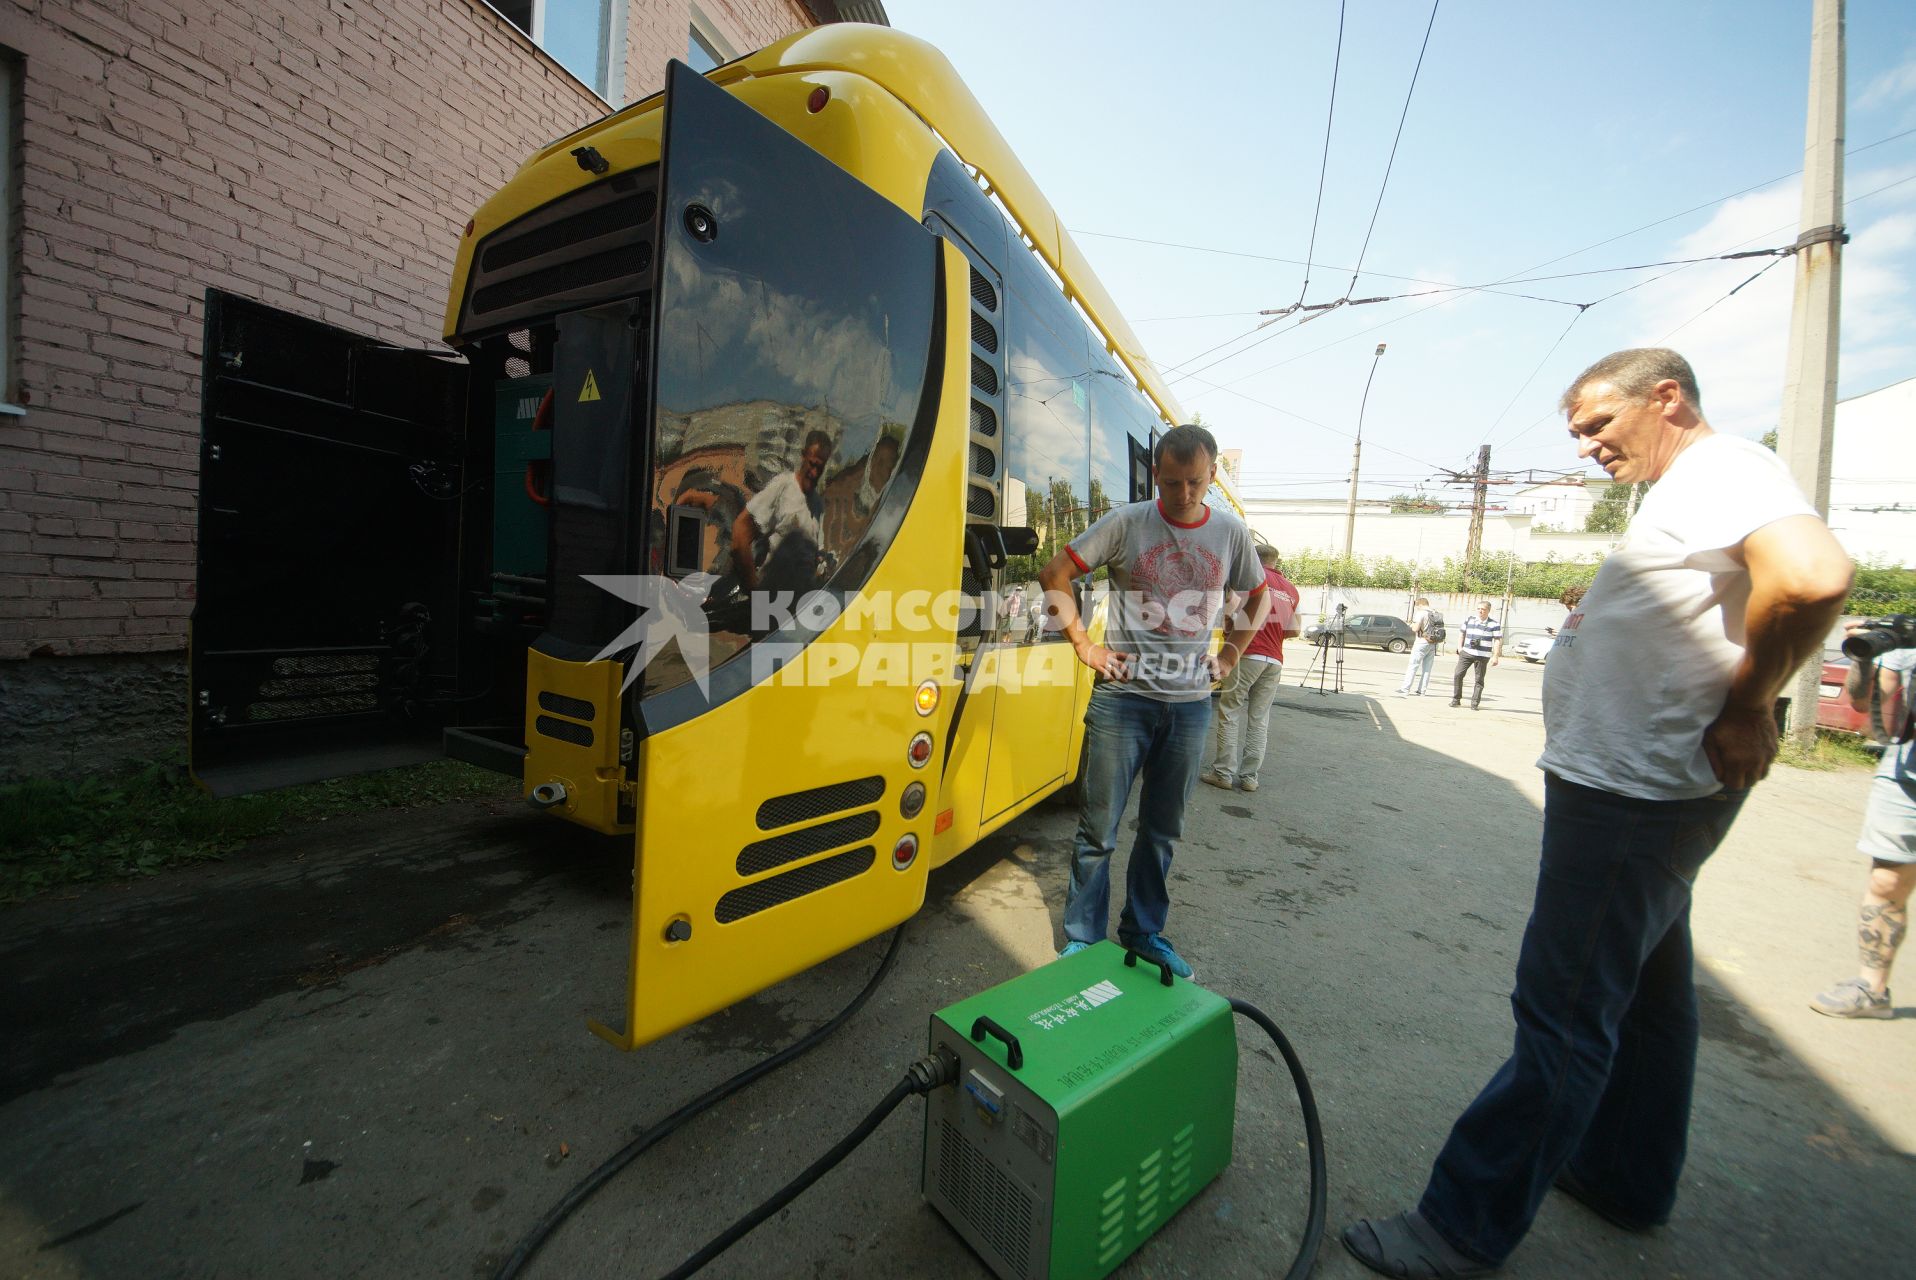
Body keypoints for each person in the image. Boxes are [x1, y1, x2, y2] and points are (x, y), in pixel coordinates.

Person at [1343, 348, 1852, 1278]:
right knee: (1651, 1000)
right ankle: (1624, 1176)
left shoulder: (1723, 468)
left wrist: (1750, 705)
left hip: (1632, 795)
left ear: (1666, 397)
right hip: (1644, 789)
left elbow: (1813, 576)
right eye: (1576, 433)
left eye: (1596, 425)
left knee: (1565, 1012)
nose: (1585, 447)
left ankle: (1457, 1231)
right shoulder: (1693, 487)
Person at [1037, 424, 1269, 980]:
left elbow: (1258, 595)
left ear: (1212, 474)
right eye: (1171, 483)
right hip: (1123, 700)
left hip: (1190, 706)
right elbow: (1055, 572)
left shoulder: (1232, 534)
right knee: (1099, 830)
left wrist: (1232, 655)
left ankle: (1143, 933)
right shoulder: (1128, 523)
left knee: (1163, 831)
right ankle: (1082, 940)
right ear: (1155, 476)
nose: (1183, 495)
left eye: (1194, 483)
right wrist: (1086, 647)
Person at [1809, 629, 1915, 1018]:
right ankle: (1872, 989)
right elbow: (1862, 701)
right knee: (1885, 882)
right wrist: (1864, 657)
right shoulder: (1910, 640)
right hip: (1907, 778)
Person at [1202, 545, 1301, 792]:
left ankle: (1223, 773)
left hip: (1245, 654)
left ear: (1253, 559)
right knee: (1259, 718)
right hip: (1274, 660)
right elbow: (1295, 630)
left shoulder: (1248, 578)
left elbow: (1229, 613)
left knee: (1230, 711)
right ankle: (1249, 778)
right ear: (1276, 562)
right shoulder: (1291, 590)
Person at [731, 430, 833, 596]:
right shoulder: (783, 486)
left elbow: (816, 555)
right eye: (812, 464)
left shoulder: (817, 504)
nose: (814, 473)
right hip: (772, 598)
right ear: (803, 456)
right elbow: (740, 532)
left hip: (800, 603)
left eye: (819, 467)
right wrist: (753, 589)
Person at [1449, 601, 1501, 710]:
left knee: (1479, 679)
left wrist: (1495, 656)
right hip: (1467, 653)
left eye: (1483, 609)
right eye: (1478, 609)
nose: (1480, 611)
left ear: (1488, 611)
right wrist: (1460, 647)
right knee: (1458, 674)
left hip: (1483, 656)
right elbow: (1462, 633)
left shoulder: (1494, 624)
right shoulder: (1469, 620)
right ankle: (1456, 699)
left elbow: (1497, 640)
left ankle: (1475, 703)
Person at [1396, 596, 1442, 696]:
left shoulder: (1421, 613)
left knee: (1413, 665)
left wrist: (1412, 625)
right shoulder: (1435, 613)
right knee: (1427, 668)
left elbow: (1415, 629)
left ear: (1420, 604)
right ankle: (1422, 691)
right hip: (1433, 643)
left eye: (1417, 606)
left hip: (1422, 641)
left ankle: (1405, 689)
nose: (1417, 608)